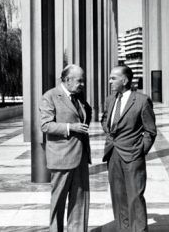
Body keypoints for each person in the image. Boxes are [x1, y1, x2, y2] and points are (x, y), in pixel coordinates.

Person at [101, 65, 157, 232]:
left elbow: (150, 131)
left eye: (113, 78)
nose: (110, 81)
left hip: (133, 156)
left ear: (124, 80)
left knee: (135, 197)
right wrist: (109, 132)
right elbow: (105, 120)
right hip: (113, 154)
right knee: (118, 197)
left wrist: (140, 150)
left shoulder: (141, 100)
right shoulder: (110, 99)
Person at [40, 64, 92, 232]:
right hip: (61, 157)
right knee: (58, 202)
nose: (83, 84)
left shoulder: (79, 96)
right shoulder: (50, 96)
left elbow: (85, 114)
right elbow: (46, 126)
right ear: (67, 80)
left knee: (80, 201)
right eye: (80, 80)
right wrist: (71, 127)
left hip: (81, 157)